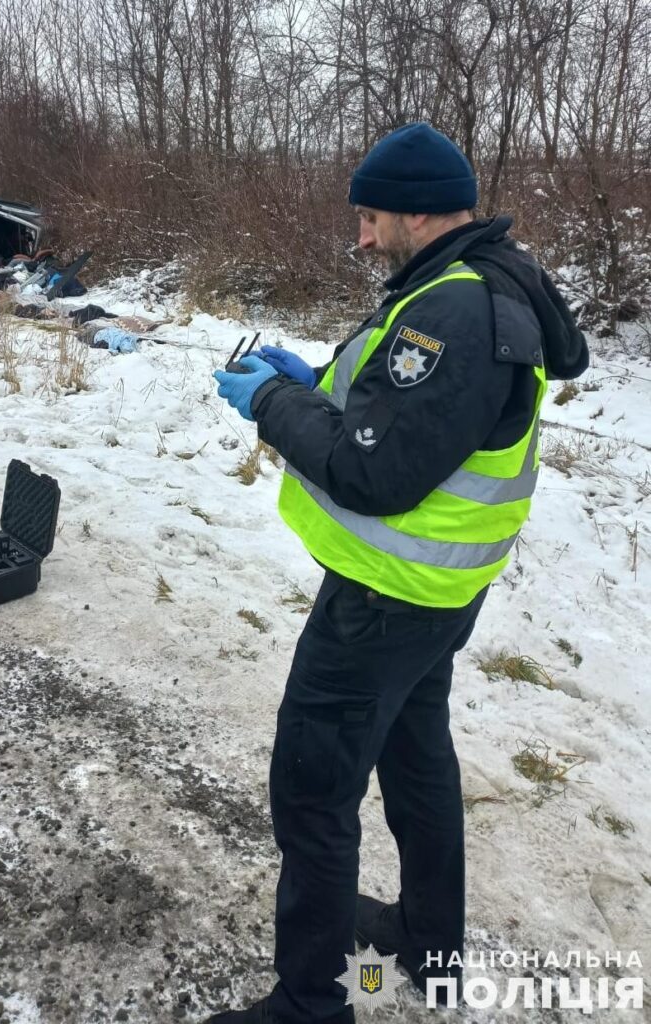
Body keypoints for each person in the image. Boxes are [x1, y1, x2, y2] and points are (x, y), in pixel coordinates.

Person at [209, 122, 589, 1024]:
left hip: (383, 605)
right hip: (434, 600)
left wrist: (268, 403)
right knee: (418, 763)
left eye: (372, 216)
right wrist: (309, 380)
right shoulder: (471, 281)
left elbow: (374, 473)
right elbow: (396, 416)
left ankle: (308, 1005)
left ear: (418, 210)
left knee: (313, 791)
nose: (363, 236)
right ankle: (428, 943)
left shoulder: (452, 310)